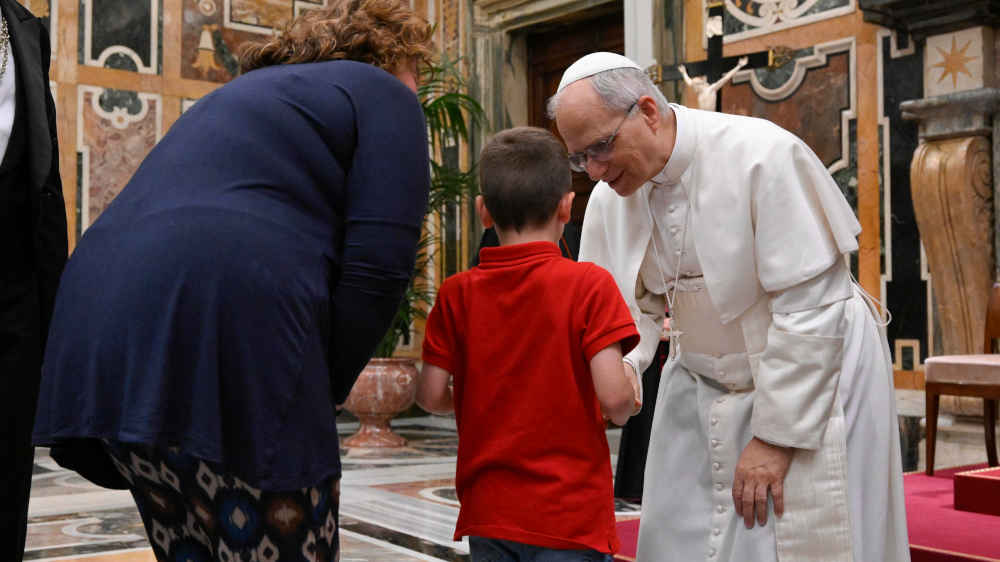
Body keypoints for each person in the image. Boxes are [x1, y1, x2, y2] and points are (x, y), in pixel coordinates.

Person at [32, 1, 432, 560]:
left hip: (101, 328)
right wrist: (317, 391)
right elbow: (380, 265)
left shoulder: (235, 96)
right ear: (394, 57)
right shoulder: (383, 91)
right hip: (233, 325)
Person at [548, 52, 910, 562]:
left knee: (804, 533)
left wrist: (776, 438)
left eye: (601, 147)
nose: (594, 171)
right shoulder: (613, 195)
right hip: (699, 375)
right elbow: (624, 308)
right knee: (681, 534)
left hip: (810, 368)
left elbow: (810, 306)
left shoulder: (762, 154)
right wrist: (628, 366)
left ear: (648, 111)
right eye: (579, 157)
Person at [417, 126, 641, 562]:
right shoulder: (589, 285)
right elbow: (614, 400)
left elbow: (428, 395)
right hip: (569, 515)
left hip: (489, 510)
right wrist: (628, 395)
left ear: (483, 212)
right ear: (566, 206)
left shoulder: (455, 293)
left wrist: (479, 398)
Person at [0, 1, 66, 559]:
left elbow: (47, 174)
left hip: (14, 287)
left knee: (9, 463)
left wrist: (56, 302)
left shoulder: (26, 30)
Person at [678, 55, 748, 112]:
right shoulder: (703, 91)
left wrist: (739, 66)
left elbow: (726, 78)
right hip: (704, 118)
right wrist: (684, 72)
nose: (694, 88)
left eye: (695, 86)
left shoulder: (708, 90)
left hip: (710, 117)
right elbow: (689, 81)